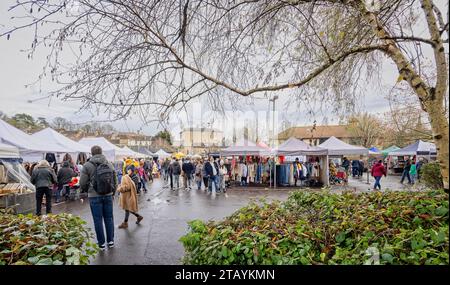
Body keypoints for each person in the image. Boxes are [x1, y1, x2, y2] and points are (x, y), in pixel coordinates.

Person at [80, 145, 118, 250]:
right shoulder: (109, 164)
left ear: (91, 153)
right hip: (108, 195)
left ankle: (101, 244)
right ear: (101, 152)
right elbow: (115, 179)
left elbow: (82, 183)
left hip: (94, 196)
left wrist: (87, 190)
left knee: (98, 220)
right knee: (109, 218)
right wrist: (113, 192)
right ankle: (110, 241)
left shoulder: (87, 165)